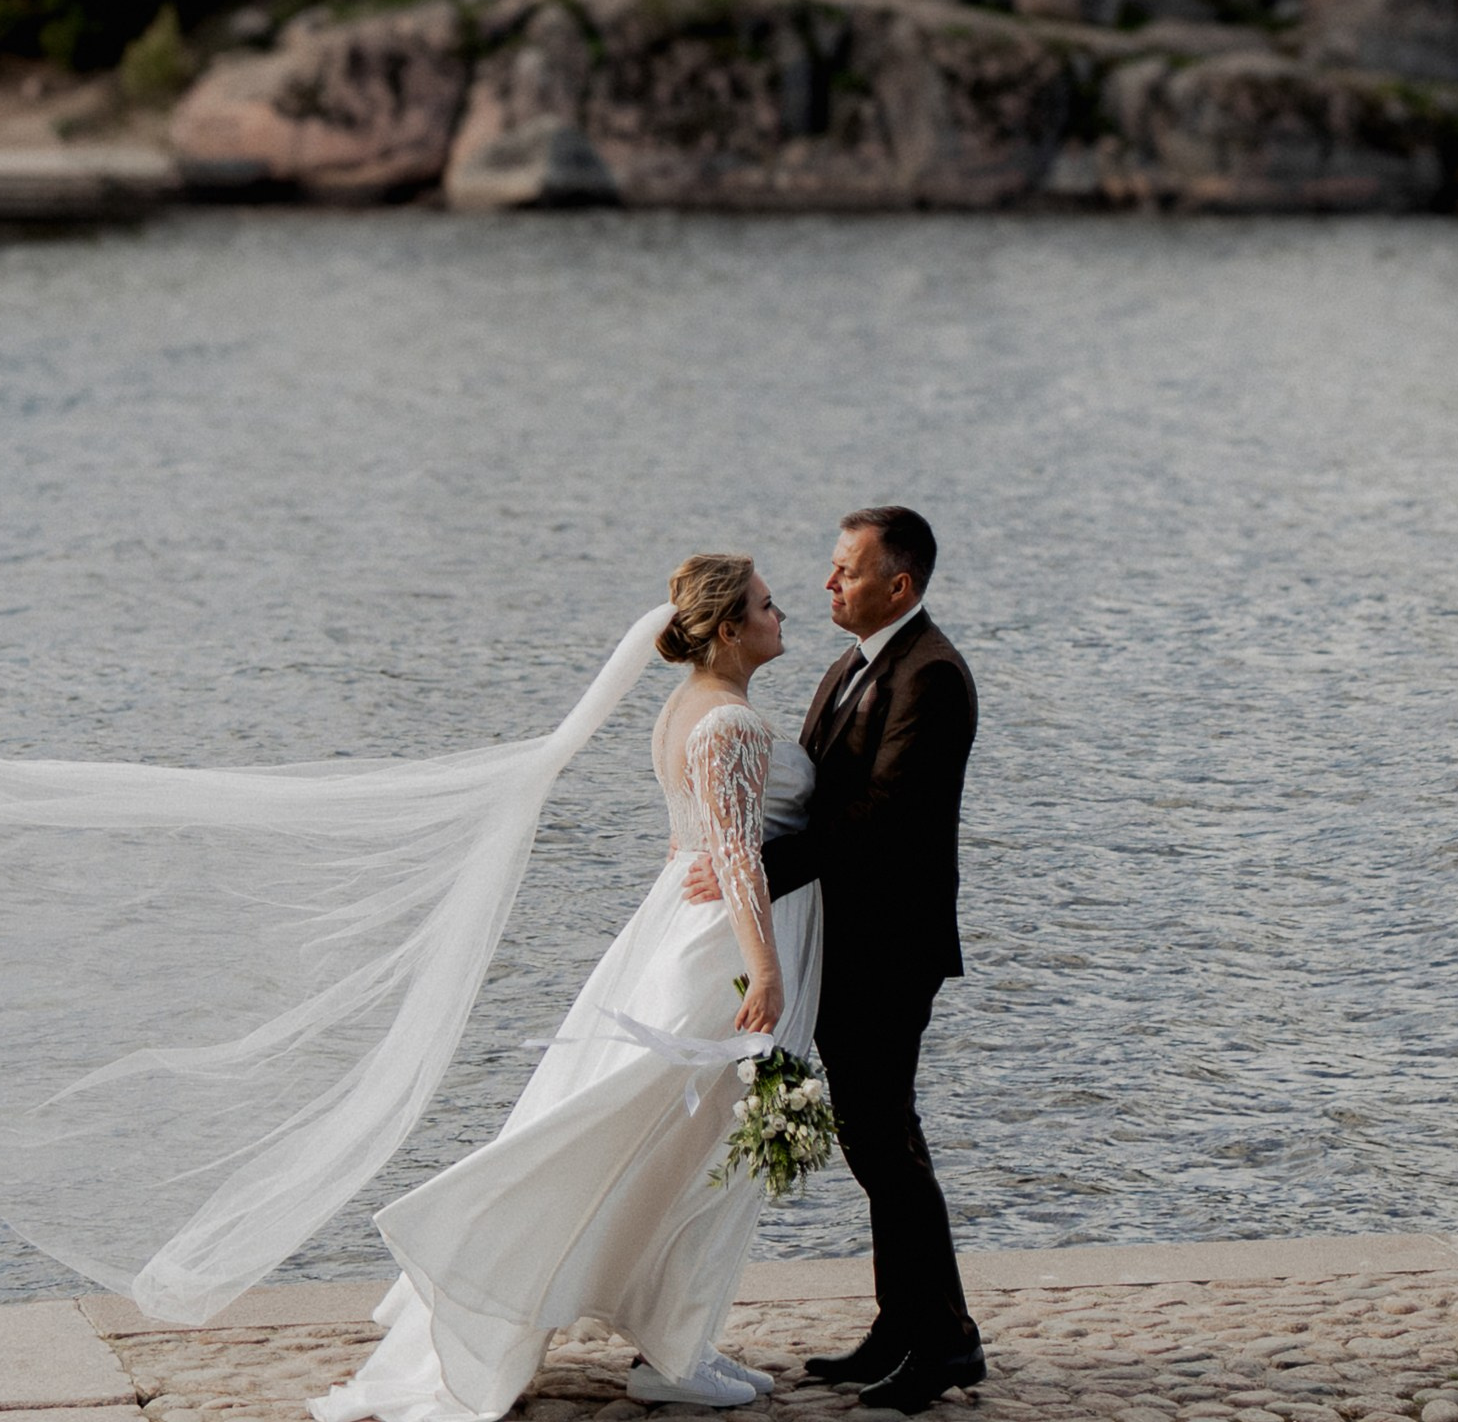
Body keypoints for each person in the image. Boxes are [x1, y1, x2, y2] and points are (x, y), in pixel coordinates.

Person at [314, 556, 819, 1422]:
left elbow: (692, 840)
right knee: (681, 1140)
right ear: (731, 629)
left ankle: (678, 1336)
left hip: (684, 923)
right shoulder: (729, 721)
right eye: (769, 606)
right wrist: (765, 971)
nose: (785, 616)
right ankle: (659, 1340)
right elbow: (736, 851)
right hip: (724, 949)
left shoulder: (683, 708)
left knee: (677, 1137)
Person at [691, 507, 980, 1413]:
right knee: (876, 1142)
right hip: (846, 943)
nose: (828, 585)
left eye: (847, 572)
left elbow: (878, 820)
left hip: (893, 947)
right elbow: (820, 797)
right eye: (829, 568)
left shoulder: (931, 677)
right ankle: (907, 1326)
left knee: (886, 1145)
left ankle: (943, 1348)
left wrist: (754, 871)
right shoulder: (847, 668)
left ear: (897, 585)